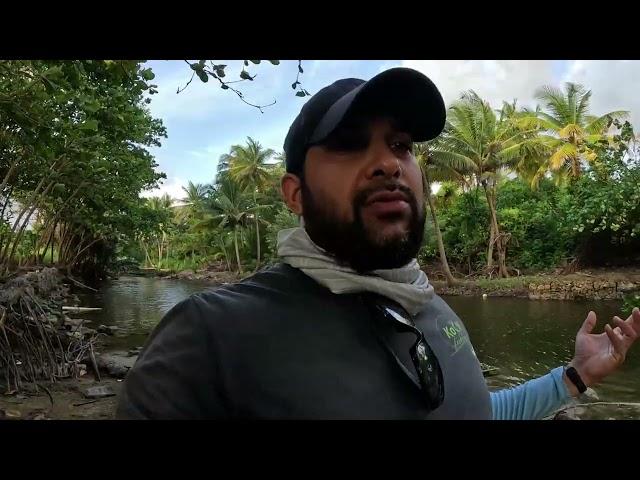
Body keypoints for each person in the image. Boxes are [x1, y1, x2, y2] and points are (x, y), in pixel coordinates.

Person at [117, 67, 640, 420]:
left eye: (400, 145)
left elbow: (468, 409)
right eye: (348, 144)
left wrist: (572, 378)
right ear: (295, 194)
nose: (389, 163)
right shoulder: (210, 337)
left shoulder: (427, 306)